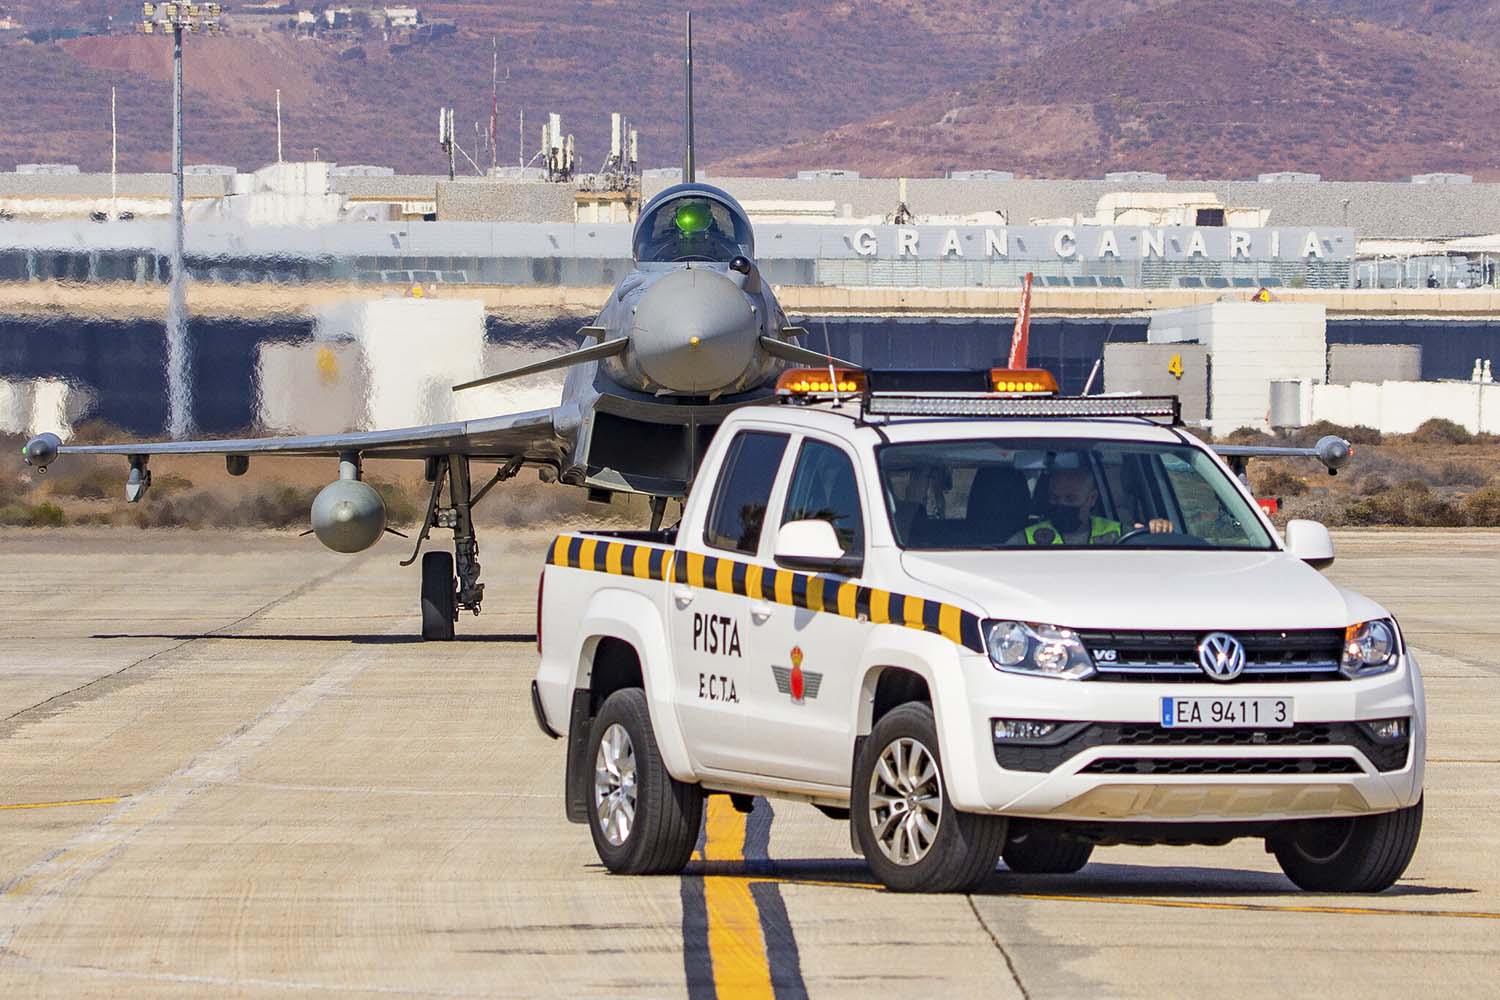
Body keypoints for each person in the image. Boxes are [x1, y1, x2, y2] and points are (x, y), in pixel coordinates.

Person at [1009, 467, 1171, 546]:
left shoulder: (1121, 535)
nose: (1061, 504)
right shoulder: (1024, 540)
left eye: (1070, 498)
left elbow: (1154, 566)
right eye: (1054, 498)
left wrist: (1159, 532)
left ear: (1091, 498)